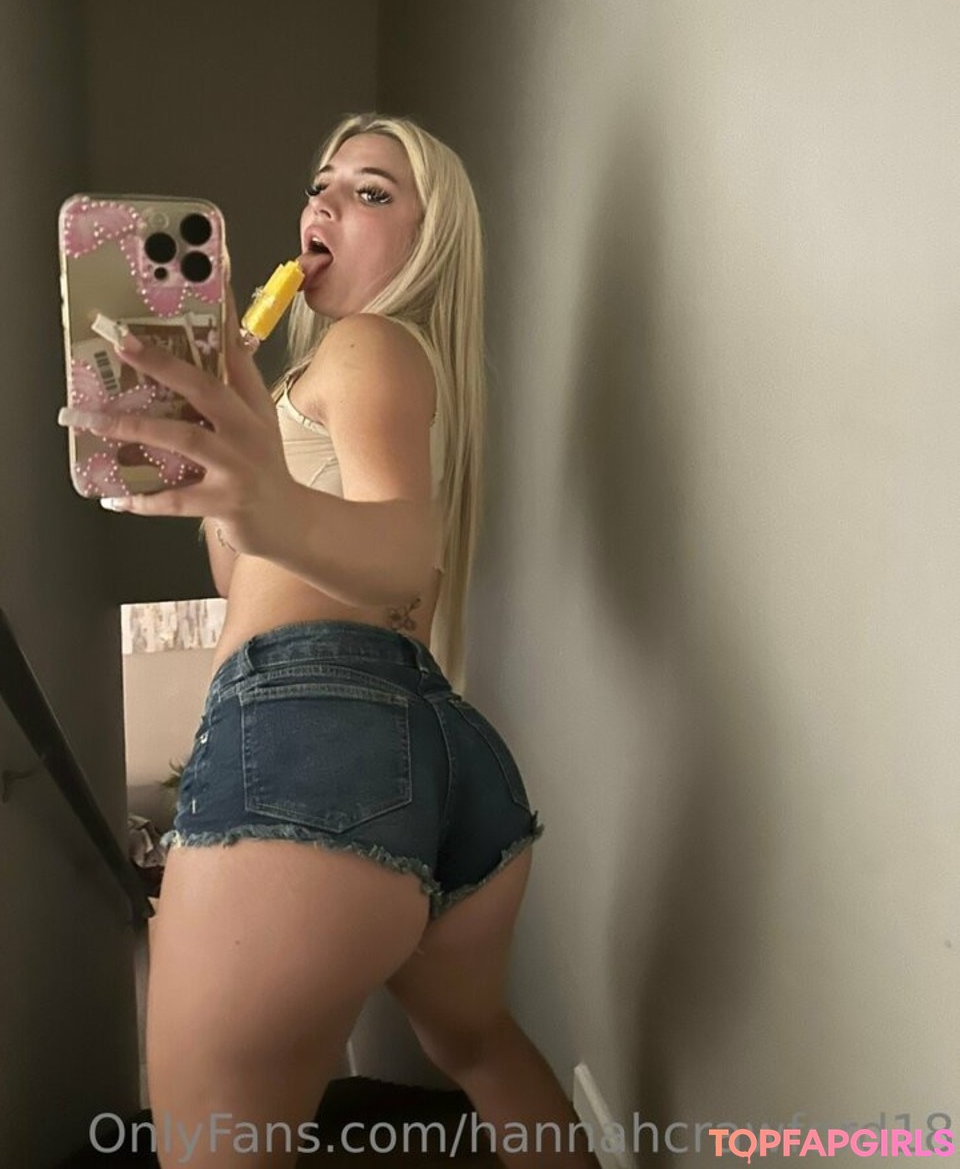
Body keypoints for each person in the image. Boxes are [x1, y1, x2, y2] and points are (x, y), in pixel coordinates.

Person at [68, 114, 595, 1167]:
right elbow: (278, 570)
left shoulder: (367, 345)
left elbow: (401, 551)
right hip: (440, 751)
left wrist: (265, 506)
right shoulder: (334, 380)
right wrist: (238, 467)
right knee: (479, 1046)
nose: (324, 202)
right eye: (322, 184)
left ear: (429, 242)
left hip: (311, 734)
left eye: (371, 191)